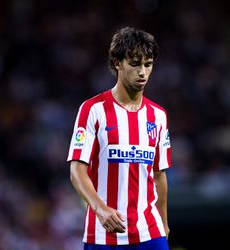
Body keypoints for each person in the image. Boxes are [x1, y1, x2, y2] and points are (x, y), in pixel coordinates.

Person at [67, 27, 171, 250]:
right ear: (117, 63)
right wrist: (100, 209)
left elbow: (159, 174)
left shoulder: (158, 116)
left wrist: (164, 223)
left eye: (148, 64)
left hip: (150, 233)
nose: (142, 72)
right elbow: (77, 169)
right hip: (103, 235)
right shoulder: (92, 110)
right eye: (134, 64)